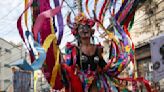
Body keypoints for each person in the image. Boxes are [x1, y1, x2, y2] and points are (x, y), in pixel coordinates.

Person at [61, 13, 109, 92]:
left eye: (87, 27)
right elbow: (68, 68)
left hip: (95, 84)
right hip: (80, 84)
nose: (84, 29)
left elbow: (103, 65)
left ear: (91, 31)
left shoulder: (98, 49)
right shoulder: (74, 50)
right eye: (81, 28)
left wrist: (114, 65)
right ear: (77, 32)